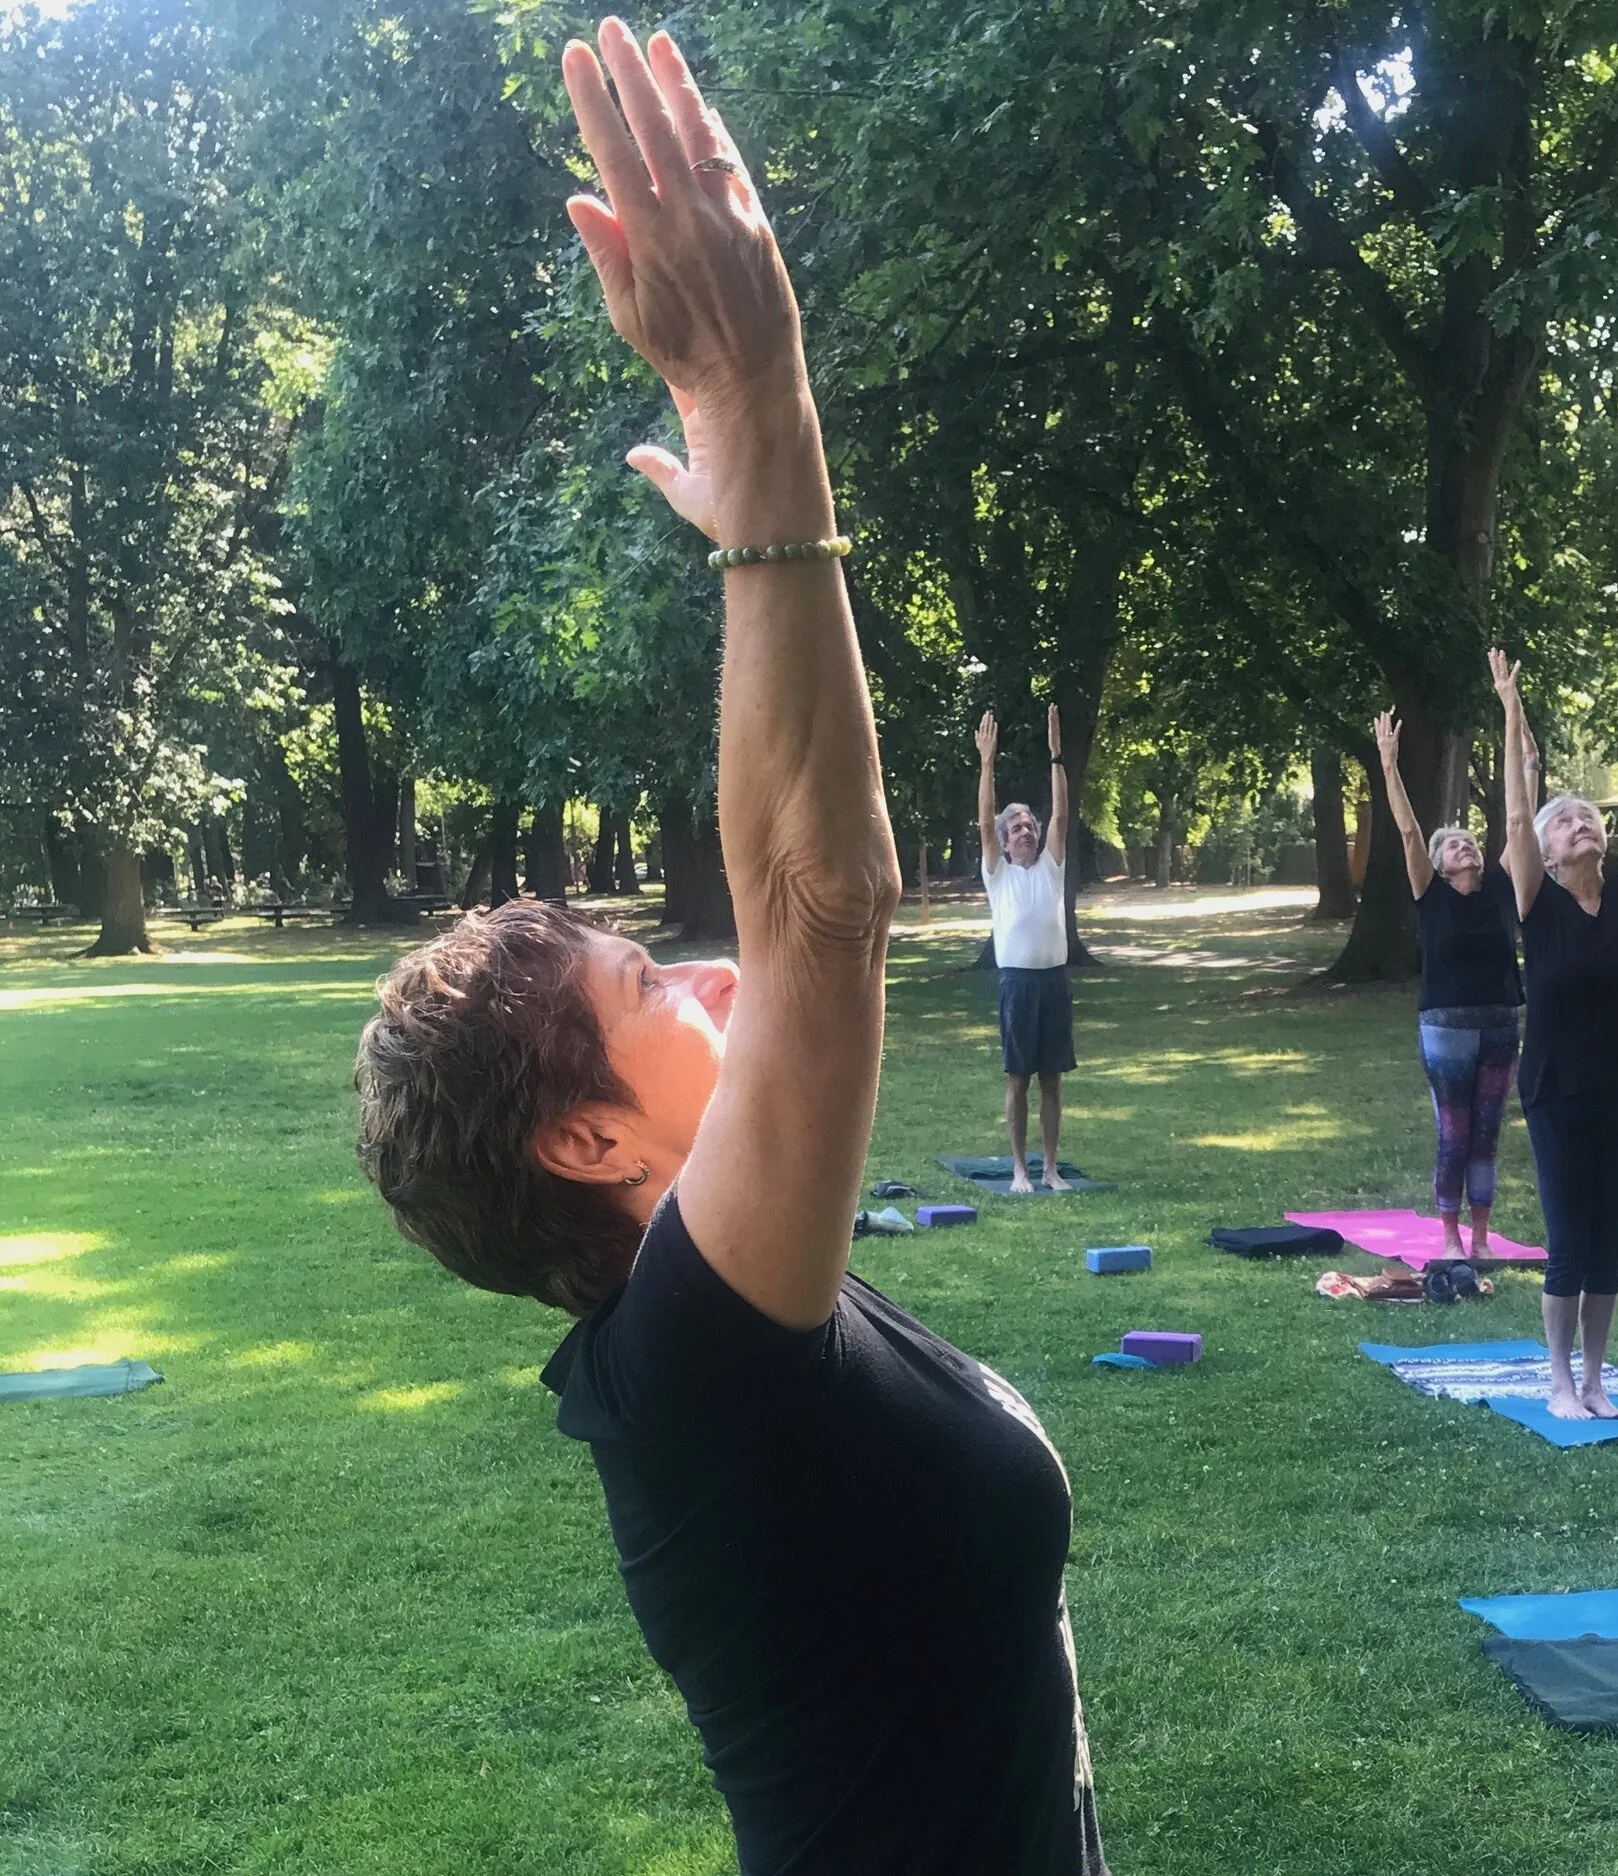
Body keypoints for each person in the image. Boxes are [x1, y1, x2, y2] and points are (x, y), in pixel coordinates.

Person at [351, 25, 1108, 1871]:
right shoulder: (698, 1367)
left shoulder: (744, 1322)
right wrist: (759, 410)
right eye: (643, 987)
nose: (700, 973)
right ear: (586, 1137)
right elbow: (819, 905)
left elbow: (825, 899)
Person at [1490, 637, 1618, 1420]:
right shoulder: (1535, 902)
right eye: (1565, 819)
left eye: (1588, 815)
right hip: (1556, 1088)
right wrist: (1511, 711)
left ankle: (1598, 1379)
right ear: (1541, 852)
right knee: (1569, 1237)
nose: (1578, 822)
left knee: (1609, 1238)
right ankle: (1558, 1381)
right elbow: (1516, 811)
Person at [1373, 710, 1523, 1259]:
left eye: (1470, 841)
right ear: (1438, 865)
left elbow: (1520, 822)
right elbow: (1409, 831)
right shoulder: (1430, 894)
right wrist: (1390, 766)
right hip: (1446, 1027)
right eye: (1455, 845)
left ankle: (1482, 1239)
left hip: (1501, 1022)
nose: (1467, 846)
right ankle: (1450, 1238)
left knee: (1487, 1135)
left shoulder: (1501, 887)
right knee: (1455, 1133)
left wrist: (1521, 743)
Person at [978, 704, 1077, 1192]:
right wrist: (987, 763)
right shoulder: (998, 875)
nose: (1026, 830)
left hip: (1054, 982)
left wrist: (1056, 755)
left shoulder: (1050, 868)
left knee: (1052, 1079)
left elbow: (1062, 814)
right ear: (1004, 841)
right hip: (1017, 985)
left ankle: (1050, 1168)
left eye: (1029, 825)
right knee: (1018, 1078)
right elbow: (983, 822)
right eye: (1016, 827)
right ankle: (1020, 1169)